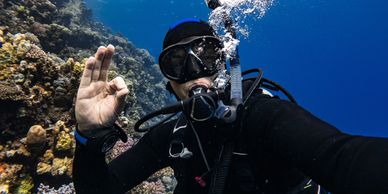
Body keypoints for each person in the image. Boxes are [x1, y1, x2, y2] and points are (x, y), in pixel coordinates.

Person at [72, 19, 388, 194]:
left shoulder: (261, 114)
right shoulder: (173, 136)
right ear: (171, 85)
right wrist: (89, 135)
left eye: (205, 57)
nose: (195, 73)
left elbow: (343, 158)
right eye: (178, 64)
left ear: (225, 66)